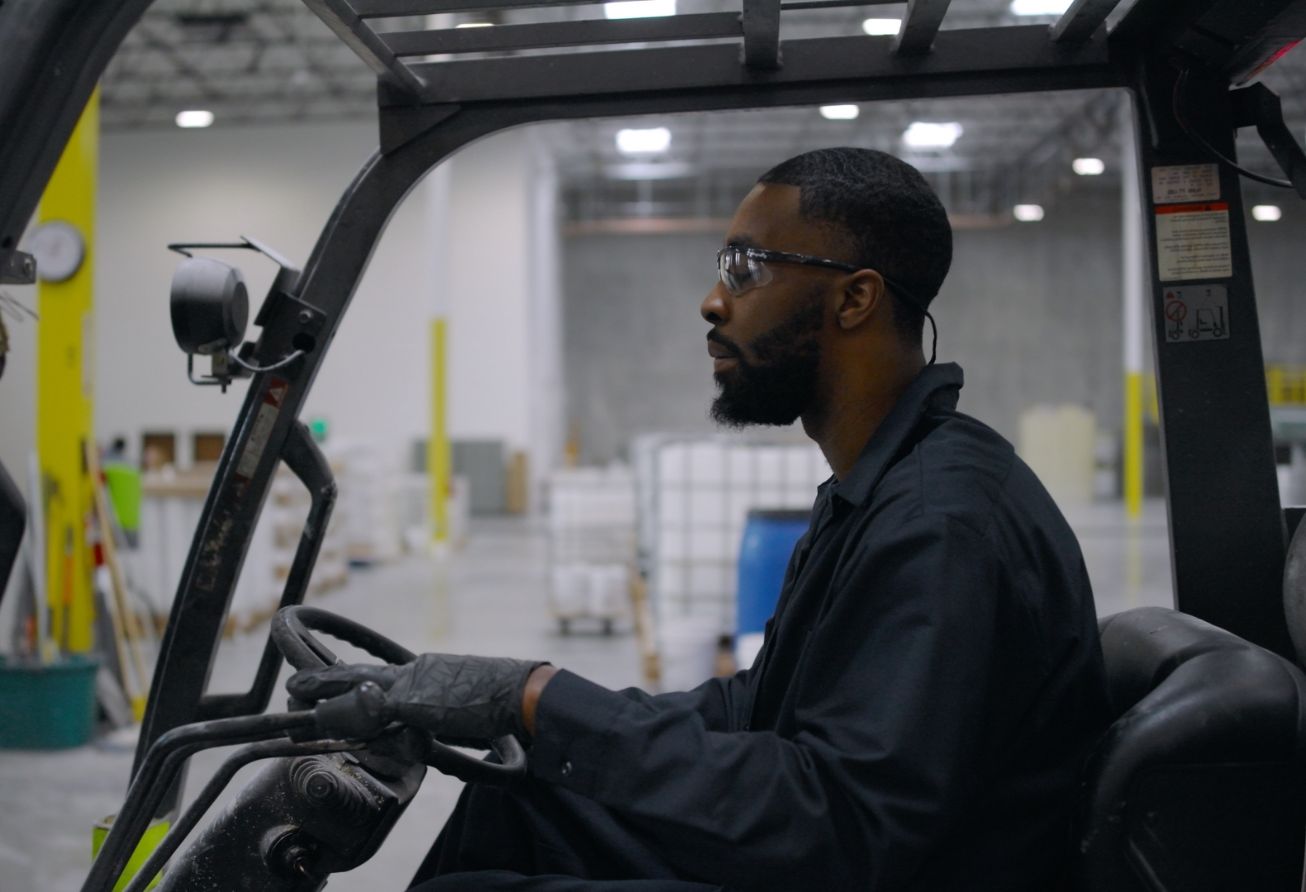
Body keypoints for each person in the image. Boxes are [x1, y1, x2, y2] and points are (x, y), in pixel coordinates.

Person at [288, 147, 1111, 891]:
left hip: (886, 870)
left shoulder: (937, 526)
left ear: (855, 299)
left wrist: (539, 698)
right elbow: (755, 710)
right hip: (855, 852)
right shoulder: (881, 485)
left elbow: (845, 826)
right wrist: (532, 702)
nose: (713, 302)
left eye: (747, 269)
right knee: (524, 799)